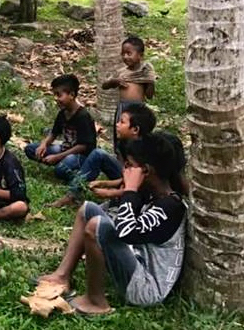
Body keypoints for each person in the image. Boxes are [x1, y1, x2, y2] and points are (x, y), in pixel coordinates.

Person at [35, 132, 188, 314]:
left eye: (129, 166)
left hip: (147, 288)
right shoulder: (150, 193)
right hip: (136, 263)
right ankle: (62, 276)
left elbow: (126, 233)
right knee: (88, 210)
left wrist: (130, 190)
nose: (124, 170)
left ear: (145, 171)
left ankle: (96, 301)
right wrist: (129, 192)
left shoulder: (170, 207)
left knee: (96, 226)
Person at [51, 103, 157, 208]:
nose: (117, 124)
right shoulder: (124, 142)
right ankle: (73, 194)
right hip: (127, 181)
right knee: (98, 154)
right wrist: (105, 183)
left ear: (135, 130)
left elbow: (140, 189)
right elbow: (124, 174)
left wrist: (110, 193)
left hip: (138, 193)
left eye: (122, 122)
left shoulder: (145, 153)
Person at [24, 74, 97, 182]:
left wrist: (58, 157)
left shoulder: (83, 116)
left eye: (59, 95)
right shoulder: (63, 113)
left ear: (71, 95)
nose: (56, 99)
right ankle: (60, 163)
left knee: (60, 170)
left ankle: (80, 175)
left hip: (81, 156)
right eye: (55, 95)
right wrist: (44, 144)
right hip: (65, 149)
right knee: (31, 149)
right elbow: (54, 133)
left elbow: (83, 146)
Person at [101, 36, 157, 150]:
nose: (125, 56)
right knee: (120, 137)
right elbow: (104, 86)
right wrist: (114, 81)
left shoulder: (144, 72)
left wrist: (150, 81)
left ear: (140, 55)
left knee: (139, 136)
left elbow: (149, 96)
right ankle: (120, 157)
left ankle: (138, 160)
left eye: (129, 53)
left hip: (138, 108)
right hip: (123, 108)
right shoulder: (121, 73)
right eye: (123, 53)